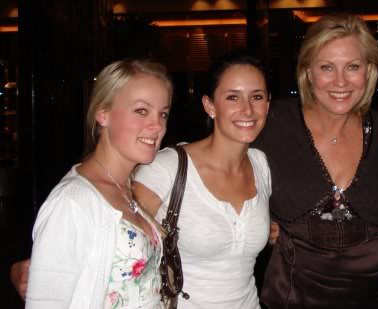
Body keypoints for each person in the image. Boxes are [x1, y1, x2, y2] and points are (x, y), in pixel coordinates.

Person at [255, 14, 378, 308]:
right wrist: (258, 219)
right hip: (293, 296)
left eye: (352, 67)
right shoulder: (272, 124)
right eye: (327, 67)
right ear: (308, 71)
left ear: (369, 71)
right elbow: (222, 170)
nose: (340, 81)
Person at [25, 59, 173, 308]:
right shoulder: (72, 201)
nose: (157, 125)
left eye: (163, 114)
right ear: (103, 114)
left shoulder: (126, 188)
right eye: (141, 111)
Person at [132, 52, 272, 308]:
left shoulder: (261, 165)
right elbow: (118, 245)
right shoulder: (167, 168)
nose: (247, 109)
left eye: (257, 97)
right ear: (210, 106)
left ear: (268, 104)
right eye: (232, 97)